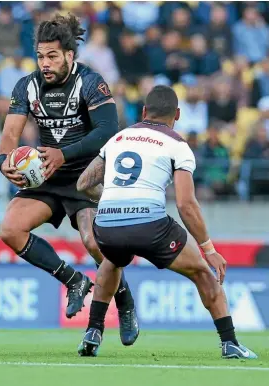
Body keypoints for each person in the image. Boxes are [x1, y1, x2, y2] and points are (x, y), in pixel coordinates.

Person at [76, 85, 257, 359]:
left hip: (107, 224)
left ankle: (93, 331)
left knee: (112, 261)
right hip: (150, 225)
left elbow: (84, 184)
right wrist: (209, 249)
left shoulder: (118, 138)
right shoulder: (177, 144)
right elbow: (186, 204)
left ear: (145, 111)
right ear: (178, 115)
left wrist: (113, 199)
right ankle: (230, 342)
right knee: (201, 273)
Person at [0, 13, 138, 346]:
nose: (45, 63)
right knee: (10, 230)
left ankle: (125, 299)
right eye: (41, 56)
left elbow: (108, 131)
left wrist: (64, 153)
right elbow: (8, 136)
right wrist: (5, 162)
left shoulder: (90, 82)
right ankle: (73, 280)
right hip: (45, 176)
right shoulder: (26, 86)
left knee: (93, 242)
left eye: (52, 56)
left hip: (86, 177)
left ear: (69, 56)